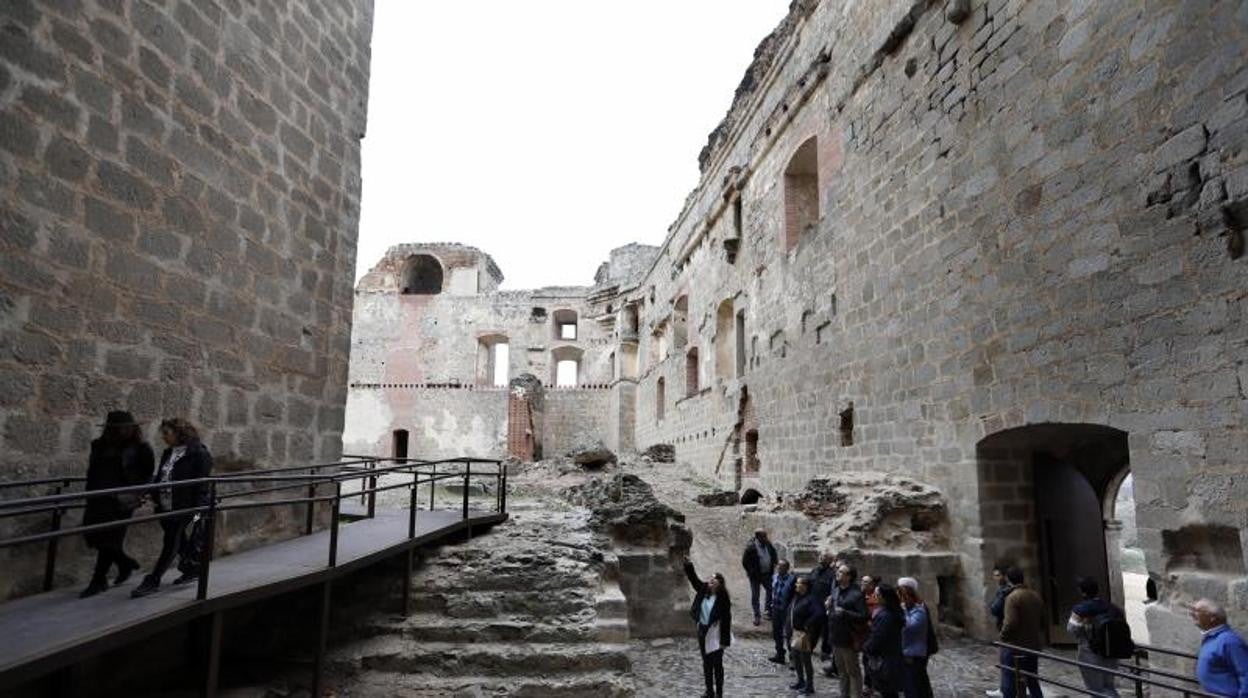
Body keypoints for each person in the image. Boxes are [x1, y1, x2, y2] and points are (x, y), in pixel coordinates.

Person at [131, 418, 214, 598]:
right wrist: (151, 493)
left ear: (179, 433)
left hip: (184, 507)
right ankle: (192, 569)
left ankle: (153, 580)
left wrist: (198, 511)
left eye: (167, 433)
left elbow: (202, 484)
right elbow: (163, 477)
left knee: (171, 541)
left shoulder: (199, 453)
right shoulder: (169, 452)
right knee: (179, 540)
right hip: (165, 506)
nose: (163, 437)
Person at [79, 411, 155, 598]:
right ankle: (124, 563)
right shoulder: (98, 446)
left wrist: (137, 494)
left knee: (110, 539)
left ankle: (98, 580)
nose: (125, 430)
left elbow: (148, 474)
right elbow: (93, 471)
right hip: (98, 497)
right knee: (92, 535)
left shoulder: (140, 448)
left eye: (127, 427)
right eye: (120, 427)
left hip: (121, 500)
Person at [1067, 577, 1124, 697]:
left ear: (1082, 592)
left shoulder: (1080, 609)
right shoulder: (1112, 608)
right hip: (1111, 651)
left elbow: (1071, 629)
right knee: (1109, 685)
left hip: (1090, 651)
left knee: (1096, 688)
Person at [683, 558, 732, 698]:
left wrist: (724, 641)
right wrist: (688, 565)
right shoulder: (704, 589)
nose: (711, 580)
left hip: (715, 634)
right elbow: (694, 580)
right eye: (710, 578)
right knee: (706, 663)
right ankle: (709, 691)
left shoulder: (723, 599)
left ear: (720, 583)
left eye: (714, 579)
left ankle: (719, 693)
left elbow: (727, 621)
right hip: (703, 631)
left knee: (717, 664)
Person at [999, 567, 1045, 698]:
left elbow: (1010, 623)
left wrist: (1002, 636)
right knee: (1032, 681)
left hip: (1015, 646)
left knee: (1009, 684)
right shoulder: (1035, 595)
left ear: (1009, 580)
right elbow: (1042, 619)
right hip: (1032, 644)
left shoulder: (1012, 598)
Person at [1191, 598, 1248, 697]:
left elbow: (1246, 673)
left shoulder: (1230, 641)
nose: (1192, 614)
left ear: (1212, 617)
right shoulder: (1211, 637)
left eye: (1197, 611)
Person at [828, 563, 869, 698]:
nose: (837, 573)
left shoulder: (856, 594)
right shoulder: (835, 590)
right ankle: (844, 694)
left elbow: (864, 616)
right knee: (841, 671)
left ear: (849, 577)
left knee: (853, 671)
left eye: (841, 572)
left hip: (849, 638)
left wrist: (846, 613)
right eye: (838, 571)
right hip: (836, 636)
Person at [864, 583, 906, 698]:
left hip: (886, 660)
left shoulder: (885, 616)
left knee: (887, 691)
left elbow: (878, 637)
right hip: (892, 657)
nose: (875, 596)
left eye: (877, 594)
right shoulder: (892, 612)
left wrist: (867, 647)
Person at [898, 577, 935, 698]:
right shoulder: (910, 607)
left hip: (916, 651)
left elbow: (911, 626)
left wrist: (903, 611)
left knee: (915, 682)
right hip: (911, 649)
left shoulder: (919, 608)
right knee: (918, 680)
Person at [790, 575, 825, 696]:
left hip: (805, 634)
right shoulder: (798, 597)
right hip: (796, 633)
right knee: (795, 657)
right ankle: (800, 681)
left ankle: (809, 685)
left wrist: (807, 625)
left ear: (805, 586)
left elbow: (819, 613)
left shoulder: (812, 599)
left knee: (805, 659)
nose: (796, 585)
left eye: (798, 583)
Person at [742, 528, 778, 626]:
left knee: (770, 590)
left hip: (766, 574)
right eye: (763, 536)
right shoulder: (751, 547)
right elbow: (745, 562)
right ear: (757, 537)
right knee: (755, 595)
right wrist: (751, 572)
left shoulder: (768, 544)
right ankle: (757, 615)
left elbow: (773, 553)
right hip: (755, 576)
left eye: (766, 536)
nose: (766, 538)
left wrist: (775, 562)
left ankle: (768, 610)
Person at [769, 559, 797, 665]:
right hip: (776, 608)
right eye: (778, 566)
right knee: (776, 633)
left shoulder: (792, 579)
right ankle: (780, 654)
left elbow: (794, 595)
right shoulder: (775, 577)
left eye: (782, 567)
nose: (779, 568)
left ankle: (793, 658)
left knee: (789, 634)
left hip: (787, 609)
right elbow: (772, 591)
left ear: (787, 568)